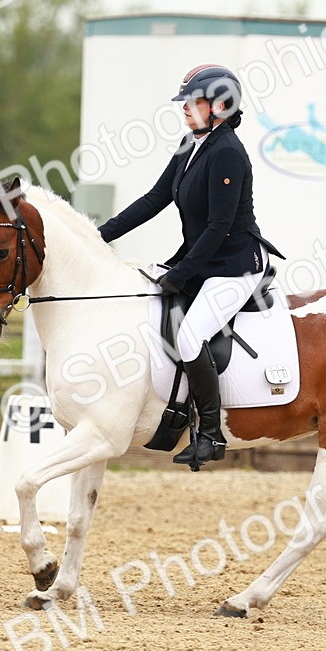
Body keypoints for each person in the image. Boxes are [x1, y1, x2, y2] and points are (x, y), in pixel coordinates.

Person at [98, 64, 285, 467]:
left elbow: (219, 227)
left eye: (192, 101)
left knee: (188, 338)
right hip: (205, 261)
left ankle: (212, 435)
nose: (184, 107)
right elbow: (155, 198)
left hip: (236, 266)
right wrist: (99, 235)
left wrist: (181, 274)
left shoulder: (228, 153)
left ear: (220, 106)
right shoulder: (191, 144)